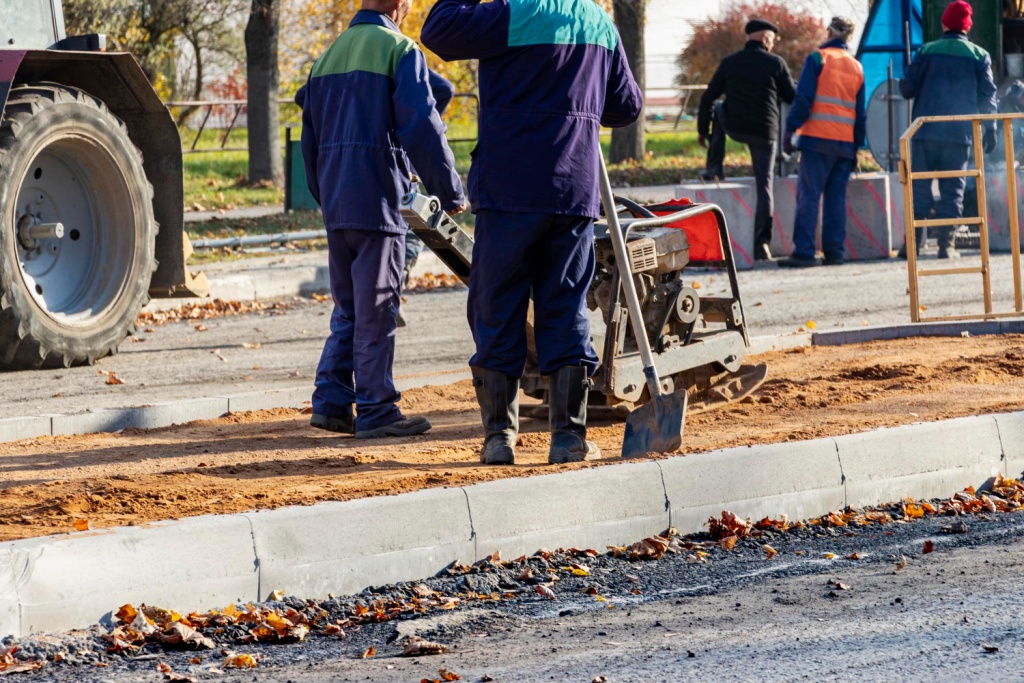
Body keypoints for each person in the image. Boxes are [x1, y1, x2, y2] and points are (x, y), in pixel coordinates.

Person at [421, 0, 643, 465]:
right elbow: (626, 106)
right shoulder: (598, 22)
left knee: (497, 305)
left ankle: (499, 437)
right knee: (564, 307)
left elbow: (438, 29)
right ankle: (568, 438)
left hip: (509, 189)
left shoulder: (512, 14)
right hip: (572, 189)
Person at [300, 0, 466, 438]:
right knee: (377, 309)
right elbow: (422, 126)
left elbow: (309, 136)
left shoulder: (329, 55)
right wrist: (449, 191)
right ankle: (376, 411)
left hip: (338, 201)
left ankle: (332, 402)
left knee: (350, 308)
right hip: (378, 199)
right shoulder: (400, 49)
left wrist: (328, 196)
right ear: (401, 4)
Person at [899, 0, 997, 260]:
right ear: (968, 26)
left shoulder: (926, 50)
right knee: (952, 192)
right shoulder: (979, 55)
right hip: (959, 135)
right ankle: (946, 246)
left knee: (918, 189)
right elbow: (988, 96)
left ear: (944, 23)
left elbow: (906, 89)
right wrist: (992, 128)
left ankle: (912, 246)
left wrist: (908, 72)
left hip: (924, 132)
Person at [697, 19, 796, 261]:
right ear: (764, 38)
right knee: (765, 186)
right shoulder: (776, 63)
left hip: (735, 126)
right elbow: (791, 96)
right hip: (765, 131)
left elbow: (707, 98)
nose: (773, 44)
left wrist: (703, 131)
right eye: (772, 39)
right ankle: (762, 243)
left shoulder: (730, 63)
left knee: (720, 108)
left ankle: (714, 167)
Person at [778, 16, 866, 269]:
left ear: (829, 32)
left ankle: (804, 252)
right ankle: (834, 252)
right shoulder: (856, 66)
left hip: (816, 140)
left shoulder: (818, 58)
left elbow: (803, 98)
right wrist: (856, 147)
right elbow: (860, 114)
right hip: (844, 145)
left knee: (809, 196)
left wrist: (790, 129)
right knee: (836, 199)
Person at [398, 70, 456, 327]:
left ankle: (376, 301)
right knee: (408, 234)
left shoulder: (334, 59)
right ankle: (391, 294)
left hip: (348, 168)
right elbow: (444, 90)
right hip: (399, 167)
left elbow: (304, 96)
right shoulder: (400, 52)